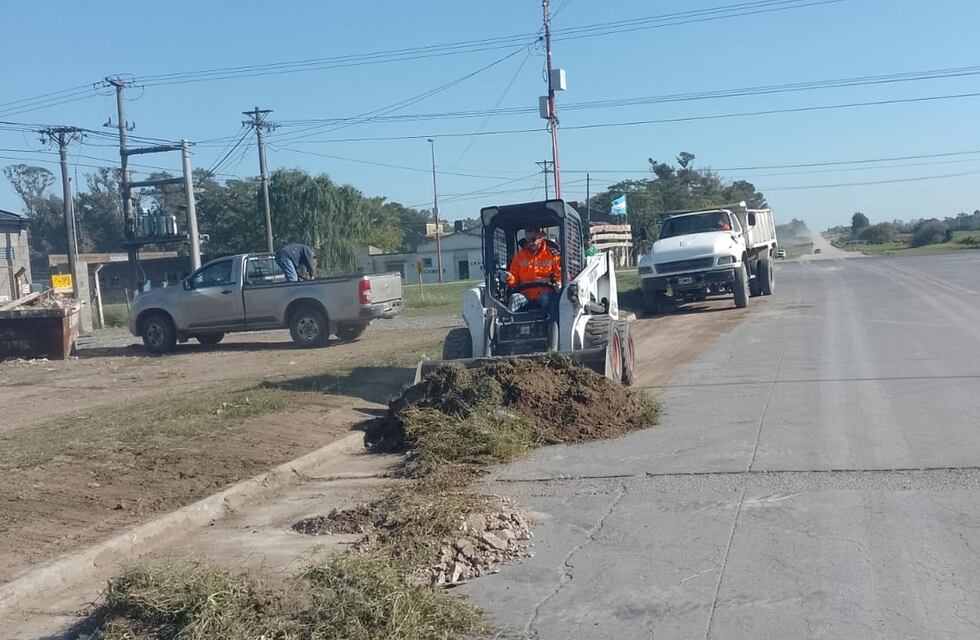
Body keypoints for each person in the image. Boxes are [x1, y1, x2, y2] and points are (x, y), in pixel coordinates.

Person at [502, 227, 561, 312]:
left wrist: (559, 283)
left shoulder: (552, 254)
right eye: (527, 240)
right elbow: (514, 280)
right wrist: (509, 277)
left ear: (540, 237)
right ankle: (510, 324)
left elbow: (560, 273)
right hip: (525, 294)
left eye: (533, 239)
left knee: (548, 300)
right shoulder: (519, 257)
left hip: (545, 292)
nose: (530, 243)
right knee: (514, 299)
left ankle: (550, 324)